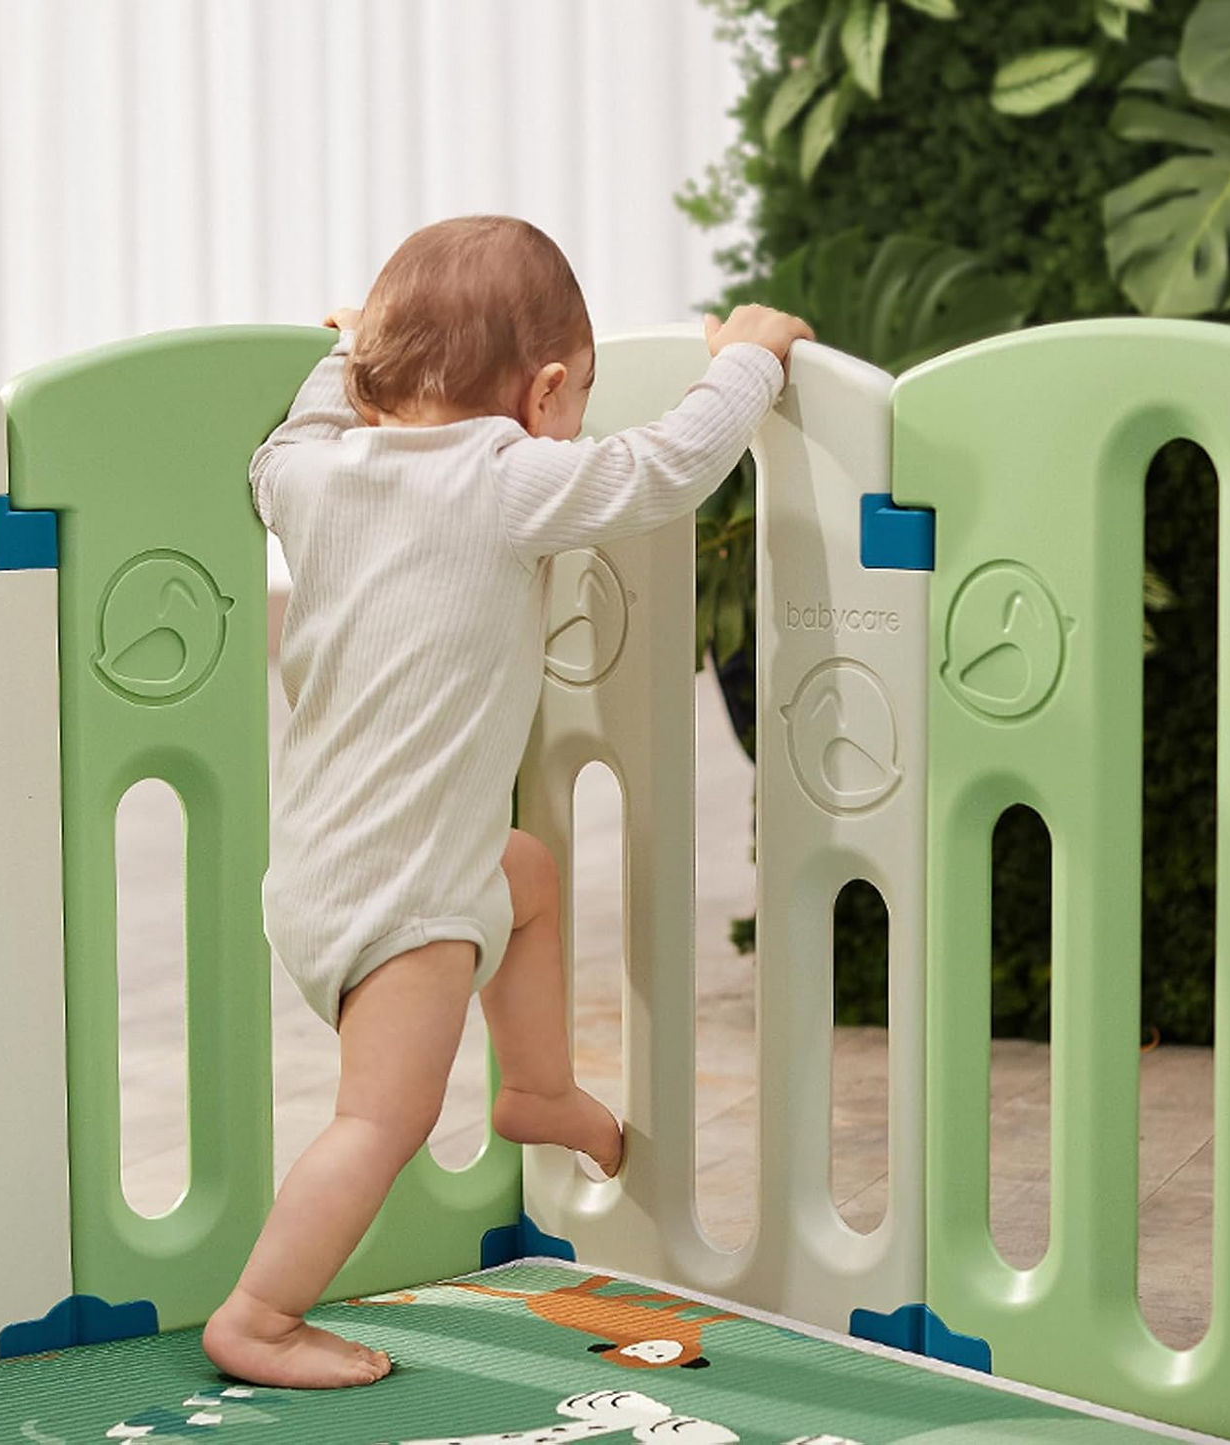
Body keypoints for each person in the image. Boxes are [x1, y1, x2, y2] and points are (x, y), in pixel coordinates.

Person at [202, 215, 813, 1389]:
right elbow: (668, 464)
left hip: (329, 869)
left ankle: (535, 1087)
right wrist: (749, 357)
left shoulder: (307, 472)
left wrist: (345, 355)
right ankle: (262, 1313)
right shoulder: (507, 481)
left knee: (524, 872)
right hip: (408, 901)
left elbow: (300, 426)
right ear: (542, 393)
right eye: (577, 395)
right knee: (380, 1122)